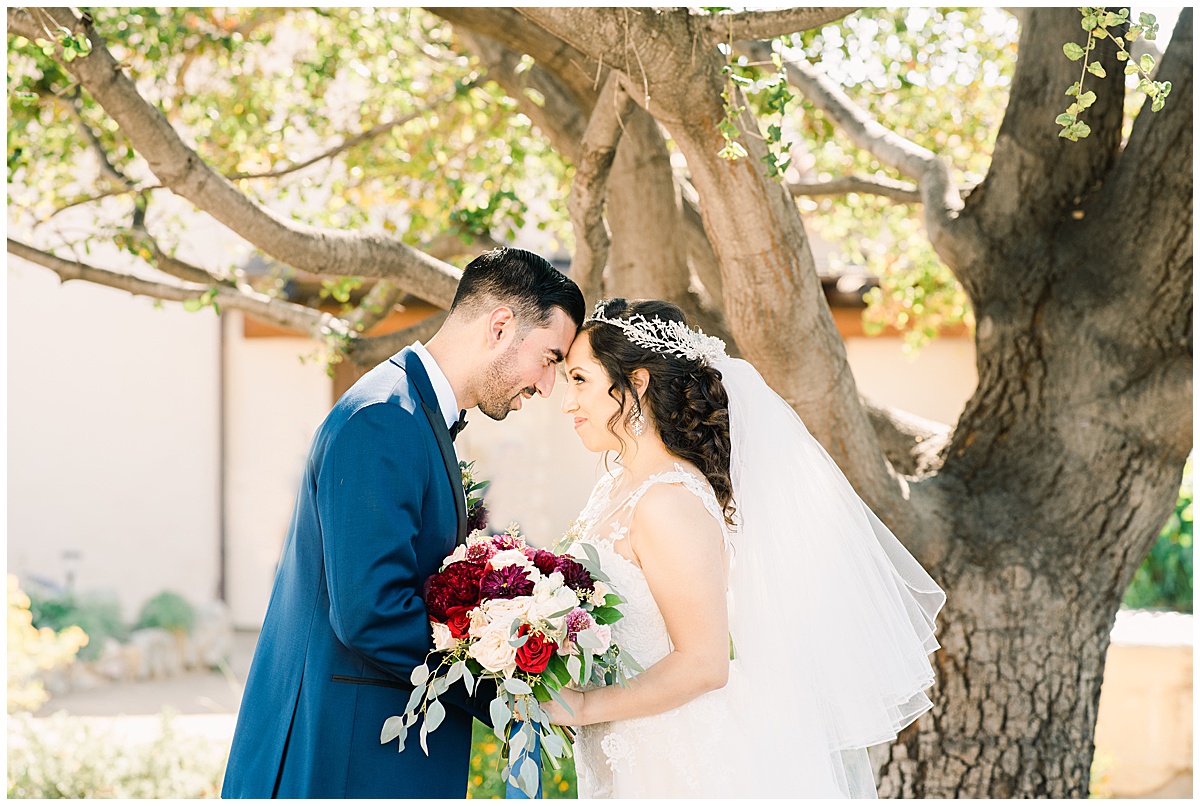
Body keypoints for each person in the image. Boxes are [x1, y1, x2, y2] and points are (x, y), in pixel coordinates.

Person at [545, 298, 946, 798]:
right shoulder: (617, 487)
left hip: (676, 757)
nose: (567, 402)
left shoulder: (667, 502)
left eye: (579, 380)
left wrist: (585, 706)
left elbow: (704, 663)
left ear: (637, 383)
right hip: (626, 742)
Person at [221, 248, 584, 798]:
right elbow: (372, 611)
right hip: (343, 755)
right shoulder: (383, 419)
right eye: (551, 357)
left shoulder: (411, 412)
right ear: (502, 326)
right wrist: (506, 690)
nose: (547, 385)